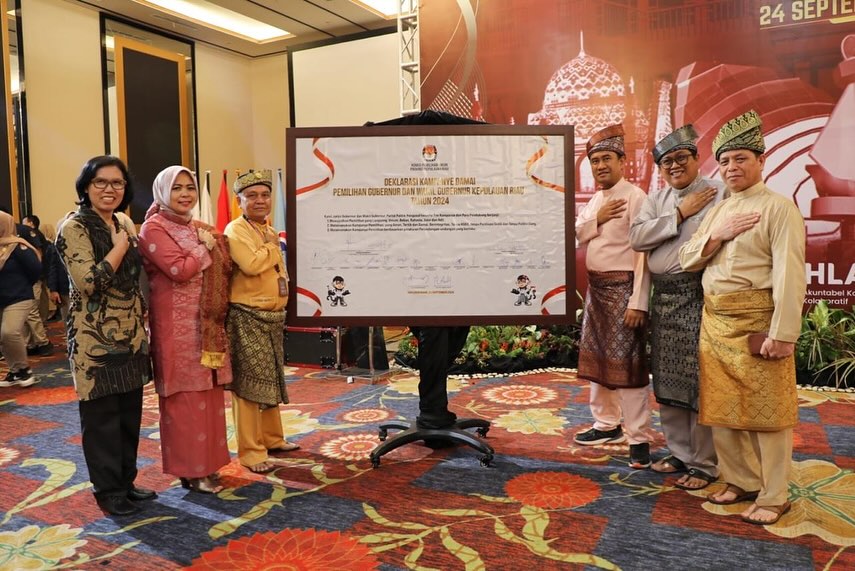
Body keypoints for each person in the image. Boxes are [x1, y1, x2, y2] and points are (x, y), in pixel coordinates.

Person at [679, 110, 806, 525]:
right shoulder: (719, 211)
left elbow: (789, 274)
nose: (731, 167)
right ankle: (740, 480)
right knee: (722, 409)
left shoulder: (779, 208)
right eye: (725, 161)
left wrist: (783, 333)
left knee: (769, 413)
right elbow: (687, 259)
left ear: (761, 161)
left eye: (741, 159)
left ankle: (774, 494)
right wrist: (719, 234)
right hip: (715, 321)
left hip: (757, 321)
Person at [56, 155, 156, 516]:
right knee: (102, 421)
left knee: (129, 416)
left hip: (130, 336)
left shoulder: (123, 222)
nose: (109, 189)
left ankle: (126, 482)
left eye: (117, 182)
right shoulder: (73, 228)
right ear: (86, 187)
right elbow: (88, 283)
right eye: (100, 182)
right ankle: (108, 491)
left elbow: (134, 276)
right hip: (93, 341)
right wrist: (119, 247)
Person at [629, 125, 726, 490]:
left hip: (700, 296)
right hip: (665, 299)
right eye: (666, 162)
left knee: (698, 382)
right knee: (668, 379)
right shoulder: (657, 200)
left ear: (697, 158)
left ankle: (704, 462)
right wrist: (680, 214)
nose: (674, 166)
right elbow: (637, 238)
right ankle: (679, 452)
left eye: (681, 158)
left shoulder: (719, 192)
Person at [139, 166, 232, 494]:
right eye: (176, 188)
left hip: (205, 325)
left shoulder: (195, 226)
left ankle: (208, 464)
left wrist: (206, 245)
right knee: (185, 400)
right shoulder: (153, 228)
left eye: (189, 187)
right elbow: (179, 270)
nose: (185, 194)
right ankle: (191, 470)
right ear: (163, 191)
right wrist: (204, 248)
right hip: (174, 327)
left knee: (208, 394)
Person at [573, 123, 652, 469]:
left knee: (628, 367)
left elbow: (644, 253)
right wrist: (599, 218)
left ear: (622, 161)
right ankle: (606, 425)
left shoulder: (636, 197)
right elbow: (577, 233)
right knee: (599, 361)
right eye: (595, 160)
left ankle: (638, 438)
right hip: (597, 290)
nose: (600, 166)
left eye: (607, 158)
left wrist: (638, 301)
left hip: (624, 291)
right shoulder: (596, 200)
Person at [224, 170, 298, 474]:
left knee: (269, 380)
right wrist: (270, 246)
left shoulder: (267, 229)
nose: (260, 200)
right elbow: (252, 265)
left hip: (272, 317)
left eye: (265, 195)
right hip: (247, 316)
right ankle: (251, 452)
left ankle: (272, 438)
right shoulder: (236, 230)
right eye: (251, 195)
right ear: (239, 201)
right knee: (249, 387)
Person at [0, 211, 41, 387]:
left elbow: (35, 269)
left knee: (9, 332)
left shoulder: (17, 246)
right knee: (2, 337)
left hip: (19, 296)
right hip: (2, 299)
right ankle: (15, 370)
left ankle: (24, 369)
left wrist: (21, 285)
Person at [19, 215, 53, 356]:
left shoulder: (25, 232)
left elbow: (38, 255)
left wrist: (36, 275)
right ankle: (30, 344)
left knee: (31, 310)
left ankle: (42, 342)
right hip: (24, 280)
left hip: (32, 278)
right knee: (26, 312)